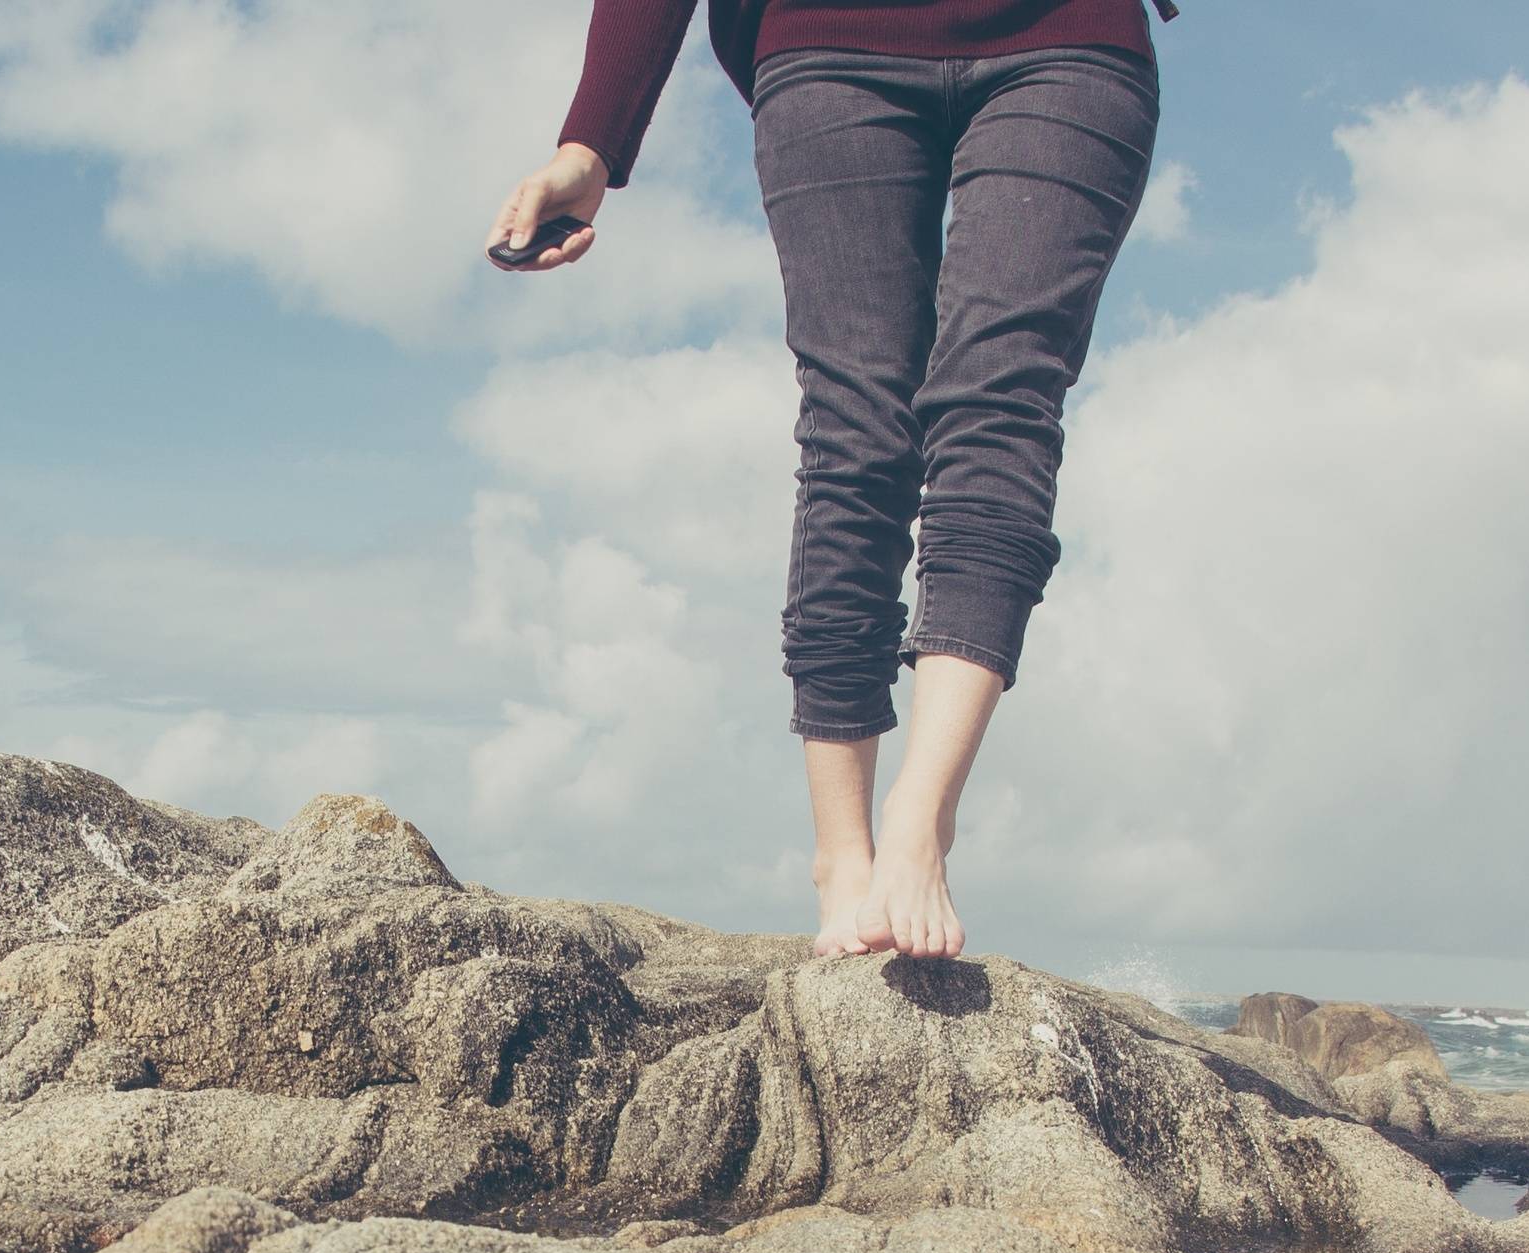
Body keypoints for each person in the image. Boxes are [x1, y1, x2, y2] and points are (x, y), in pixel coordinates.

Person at [492, 0, 1163, 961]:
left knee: (1000, 401)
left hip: (1067, 36)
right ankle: (842, 854)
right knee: (859, 431)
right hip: (828, 41)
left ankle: (921, 817)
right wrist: (593, 140)